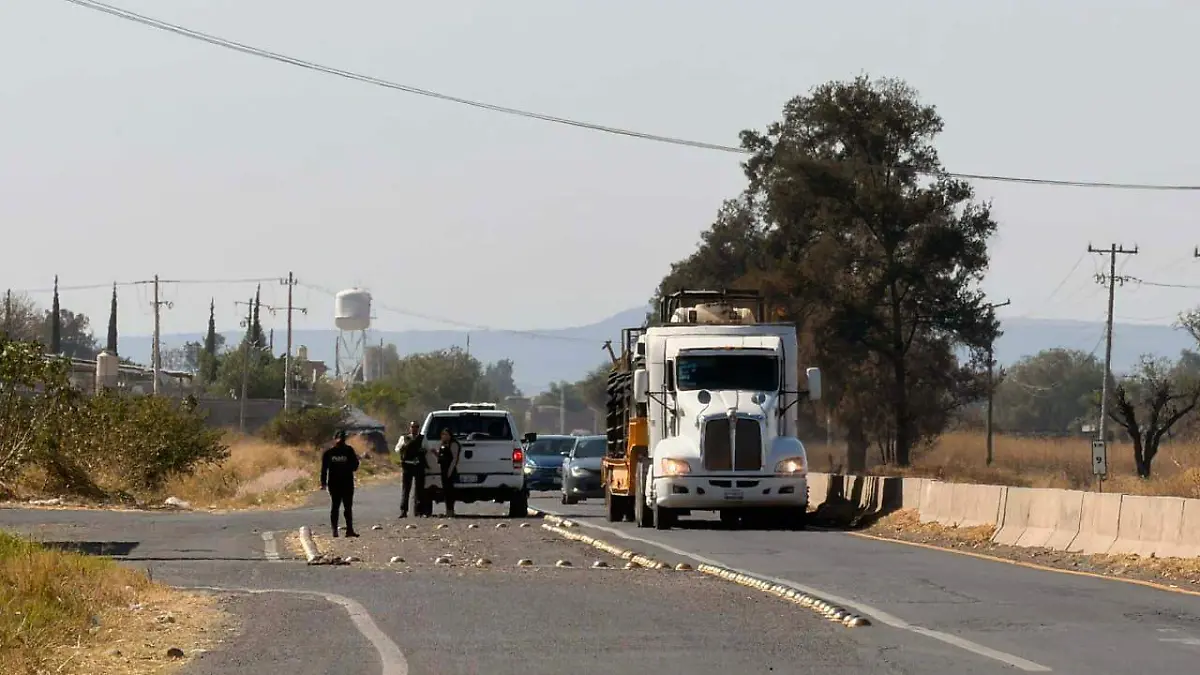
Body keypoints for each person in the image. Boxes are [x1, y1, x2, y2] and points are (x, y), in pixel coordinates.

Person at [320, 430, 360, 537]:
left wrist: (323, 482)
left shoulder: (347, 451)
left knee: (345, 507)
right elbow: (324, 469)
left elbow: (355, 465)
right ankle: (336, 530)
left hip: (344, 483)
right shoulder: (329, 453)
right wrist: (323, 482)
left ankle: (348, 530)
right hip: (337, 483)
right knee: (337, 506)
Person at [395, 421, 426, 518]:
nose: (414, 429)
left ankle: (419, 511)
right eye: (413, 427)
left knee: (419, 489)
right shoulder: (404, 438)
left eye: (416, 427)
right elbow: (397, 449)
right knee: (406, 489)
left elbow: (427, 449)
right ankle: (403, 511)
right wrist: (403, 448)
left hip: (418, 465)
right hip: (407, 465)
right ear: (410, 428)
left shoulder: (422, 438)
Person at [436, 427, 462, 517]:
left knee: (450, 492)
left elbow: (454, 459)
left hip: (450, 470)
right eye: (443, 434)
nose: (444, 436)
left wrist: (449, 472)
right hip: (443, 470)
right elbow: (440, 457)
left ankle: (451, 510)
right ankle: (448, 510)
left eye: (446, 434)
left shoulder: (453, 444)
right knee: (446, 492)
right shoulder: (442, 445)